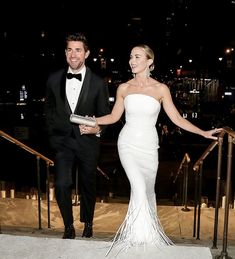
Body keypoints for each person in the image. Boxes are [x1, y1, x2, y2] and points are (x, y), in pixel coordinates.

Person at [93, 44, 221, 255]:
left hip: (149, 147)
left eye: (137, 56)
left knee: (148, 191)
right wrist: (93, 120)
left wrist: (203, 133)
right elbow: (114, 117)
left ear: (149, 61)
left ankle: (145, 238)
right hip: (127, 144)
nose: (132, 61)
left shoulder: (161, 89)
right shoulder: (124, 88)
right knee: (139, 188)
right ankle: (133, 239)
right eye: (130, 56)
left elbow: (177, 119)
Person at [44, 32, 110, 239]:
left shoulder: (99, 82)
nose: (73, 54)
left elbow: (105, 114)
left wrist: (97, 129)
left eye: (78, 50)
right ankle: (68, 226)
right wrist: (52, 135)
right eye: (70, 50)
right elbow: (49, 109)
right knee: (62, 184)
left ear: (87, 53)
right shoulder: (53, 79)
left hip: (88, 142)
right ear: (65, 53)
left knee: (88, 184)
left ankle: (88, 222)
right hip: (62, 142)